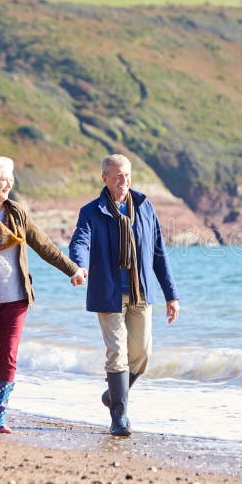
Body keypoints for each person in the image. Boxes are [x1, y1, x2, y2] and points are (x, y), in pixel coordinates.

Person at [0, 156, 85, 433]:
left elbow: (44, 245)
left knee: (9, 356)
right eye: (3, 178)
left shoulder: (17, 212)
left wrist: (72, 269)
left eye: (10, 177)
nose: (8, 183)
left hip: (16, 299)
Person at [69, 154, 179, 437]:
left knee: (141, 354)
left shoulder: (144, 206)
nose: (123, 180)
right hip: (109, 293)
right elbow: (80, 239)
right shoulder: (92, 211)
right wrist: (79, 265)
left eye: (127, 175)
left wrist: (171, 294)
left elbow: (158, 252)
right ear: (104, 178)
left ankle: (113, 395)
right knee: (117, 353)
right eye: (117, 175)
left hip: (140, 292)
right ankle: (119, 417)